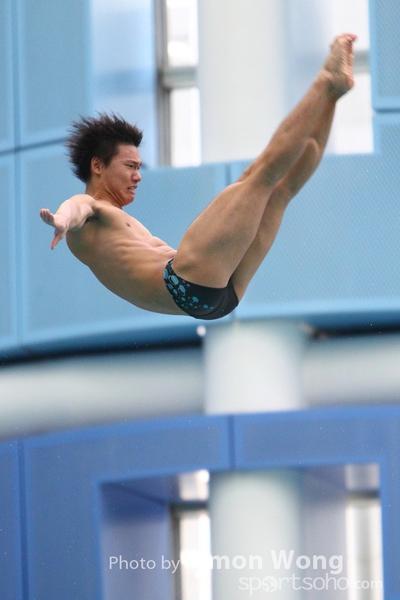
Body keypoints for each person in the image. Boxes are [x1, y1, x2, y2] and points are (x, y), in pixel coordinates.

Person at [40, 33, 356, 320]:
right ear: (98, 166)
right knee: (259, 176)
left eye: (138, 168)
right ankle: (325, 80)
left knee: (280, 192)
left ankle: (332, 96)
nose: (138, 177)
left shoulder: (115, 220)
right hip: (186, 282)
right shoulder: (92, 212)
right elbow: (76, 207)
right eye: (130, 167)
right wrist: (62, 220)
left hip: (220, 296)